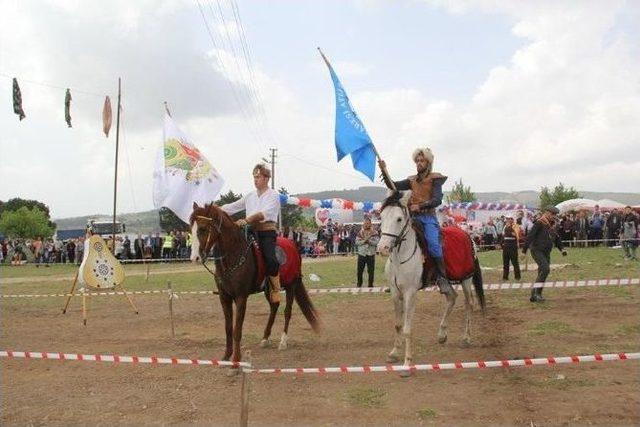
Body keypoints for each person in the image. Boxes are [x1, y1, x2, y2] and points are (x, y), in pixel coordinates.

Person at [378, 147, 453, 295]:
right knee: (398, 238)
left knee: (433, 244)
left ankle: (442, 278)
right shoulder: (411, 180)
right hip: (412, 218)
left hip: (428, 218)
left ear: (428, 162)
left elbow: (437, 200)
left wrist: (421, 205)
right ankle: (395, 278)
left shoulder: (435, 179)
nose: (419, 163)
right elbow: (394, 186)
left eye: (422, 160)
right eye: (417, 160)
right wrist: (384, 170)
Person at [221, 163, 282, 303]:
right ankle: (228, 285)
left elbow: (264, 213)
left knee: (271, 259)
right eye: (254, 177)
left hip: (266, 233)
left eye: (258, 177)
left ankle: (275, 289)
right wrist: (214, 209)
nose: (255, 180)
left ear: (266, 178)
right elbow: (232, 207)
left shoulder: (273, 195)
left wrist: (247, 220)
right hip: (249, 232)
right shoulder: (250, 196)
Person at [522, 206, 567, 302]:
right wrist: (524, 251)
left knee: (542, 272)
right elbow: (530, 236)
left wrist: (562, 249)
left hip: (546, 251)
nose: (554, 216)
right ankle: (537, 294)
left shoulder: (553, 225)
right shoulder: (539, 223)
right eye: (552, 214)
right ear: (546, 213)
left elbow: (557, 238)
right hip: (537, 250)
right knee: (546, 269)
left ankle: (535, 295)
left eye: (555, 215)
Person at [355, 217, 379, 287]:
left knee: (371, 271)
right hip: (361, 254)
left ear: (370, 224)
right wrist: (364, 241)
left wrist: (369, 241)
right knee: (360, 271)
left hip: (371, 254)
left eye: (368, 223)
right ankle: (359, 284)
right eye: (365, 223)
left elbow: (377, 242)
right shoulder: (360, 233)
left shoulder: (375, 232)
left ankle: (370, 285)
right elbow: (356, 242)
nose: (366, 225)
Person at [502, 215, 521, 281]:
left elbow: (516, 235)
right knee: (505, 263)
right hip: (506, 246)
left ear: (512, 219)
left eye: (509, 218)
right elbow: (503, 235)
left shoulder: (516, 226)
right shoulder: (505, 226)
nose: (507, 220)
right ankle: (505, 277)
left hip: (513, 246)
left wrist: (510, 228)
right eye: (507, 219)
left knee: (515, 262)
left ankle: (517, 277)